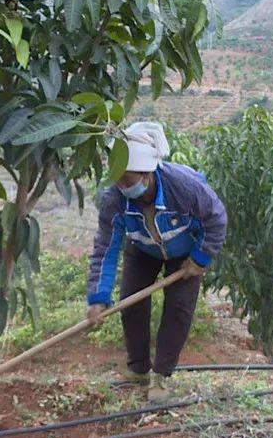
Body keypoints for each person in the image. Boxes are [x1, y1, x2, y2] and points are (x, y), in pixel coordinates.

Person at [85, 122, 227, 403]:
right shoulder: (114, 200)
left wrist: (200, 259)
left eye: (129, 180)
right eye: (118, 181)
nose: (124, 187)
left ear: (148, 174)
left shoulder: (185, 187)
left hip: (186, 253)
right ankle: (138, 369)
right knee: (131, 303)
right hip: (142, 249)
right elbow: (106, 247)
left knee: (178, 308)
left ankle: (161, 376)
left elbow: (217, 219)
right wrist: (98, 297)